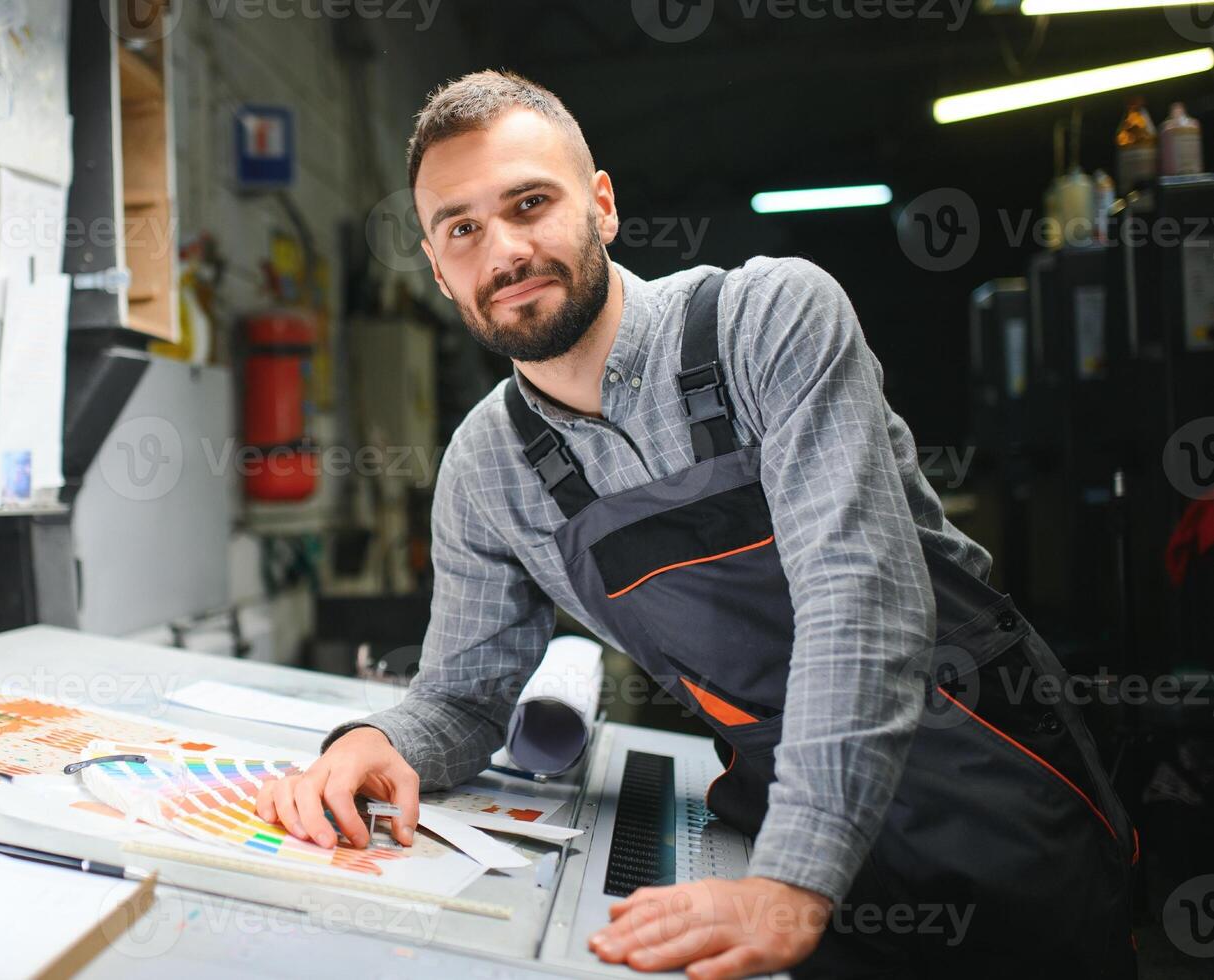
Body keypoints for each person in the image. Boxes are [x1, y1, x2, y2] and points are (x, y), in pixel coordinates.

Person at [255, 70, 1136, 979]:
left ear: (601, 206)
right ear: (439, 268)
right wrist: (374, 742)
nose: (505, 252)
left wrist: (794, 880)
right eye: (463, 229)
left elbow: (858, 602)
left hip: (989, 795)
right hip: (778, 833)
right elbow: (464, 698)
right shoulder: (487, 467)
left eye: (530, 203)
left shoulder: (768, 319)